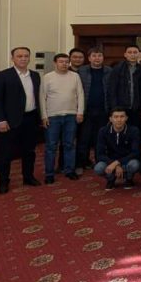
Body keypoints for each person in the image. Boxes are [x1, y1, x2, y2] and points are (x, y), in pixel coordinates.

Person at [0, 46, 41, 193]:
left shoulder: (35, 75)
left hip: (31, 118)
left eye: (26, 56)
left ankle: (28, 177)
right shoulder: (2, 76)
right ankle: (3, 182)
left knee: (29, 151)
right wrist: (1, 120)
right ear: (12, 58)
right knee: (5, 153)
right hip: (9, 120)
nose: (23, 59)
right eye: (19, 56)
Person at [40, 53, 84, 184]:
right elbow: (42, 97)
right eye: (61, 61)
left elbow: (80, 94)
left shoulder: (75, 76)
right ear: (55, 63)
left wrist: (80, 112)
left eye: (66, 61)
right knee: (51, 146)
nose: (64, 64)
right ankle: (49, 173)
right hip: (52, 116)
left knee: (69, 144)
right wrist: (44, 116)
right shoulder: (47, 77)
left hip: (71, 115)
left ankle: (69, 170)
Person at [77, 48, 112, 171]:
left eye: (100, 55)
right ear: (89, 58)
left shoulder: (109, 71)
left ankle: (99, 161)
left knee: (100, 138)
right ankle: (81, 163)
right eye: (94, 55)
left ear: (103, 57)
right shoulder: (82, 71)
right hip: (86, 110)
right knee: (84, 138)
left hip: (103, 110)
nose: (97, 58)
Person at [94, 108, 141, 189]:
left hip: (127, 161)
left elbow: (135, 152)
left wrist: (117, 163)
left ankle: (128, 178)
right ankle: (111, 179)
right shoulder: (103, 131)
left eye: (122, 116)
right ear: (110, 119)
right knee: (98, 168)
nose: (119, 120)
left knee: (134, 164)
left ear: (126, 118)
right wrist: (114, 164)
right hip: (110, 162)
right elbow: (100, 154)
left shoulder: (134, 130)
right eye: (116, 117)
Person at [108, 46, 141, 130]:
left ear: (139, 54)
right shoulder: (117, 69)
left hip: (137, 108)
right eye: (130, 52)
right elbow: (112, 90)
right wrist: (114, 108)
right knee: (121, 130)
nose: (132, 54)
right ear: (125, 54)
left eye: (135, 52)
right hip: (121, 108)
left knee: (136, 130)